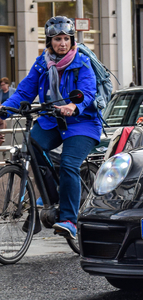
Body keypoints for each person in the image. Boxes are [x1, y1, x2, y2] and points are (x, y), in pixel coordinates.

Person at [0, 16, 100, 239]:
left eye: (66, 38)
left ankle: (69, 220)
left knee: (69, 164)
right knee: (32, 145)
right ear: (49, 41)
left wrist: (74, 105)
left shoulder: (82, 63)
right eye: (57, 39)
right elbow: (25, 92)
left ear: (72, 40)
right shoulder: (41, 64)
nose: (62, 43)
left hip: (81, 123)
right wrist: (4, 109)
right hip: (51, 120)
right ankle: (51, 194)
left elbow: (88, 91)